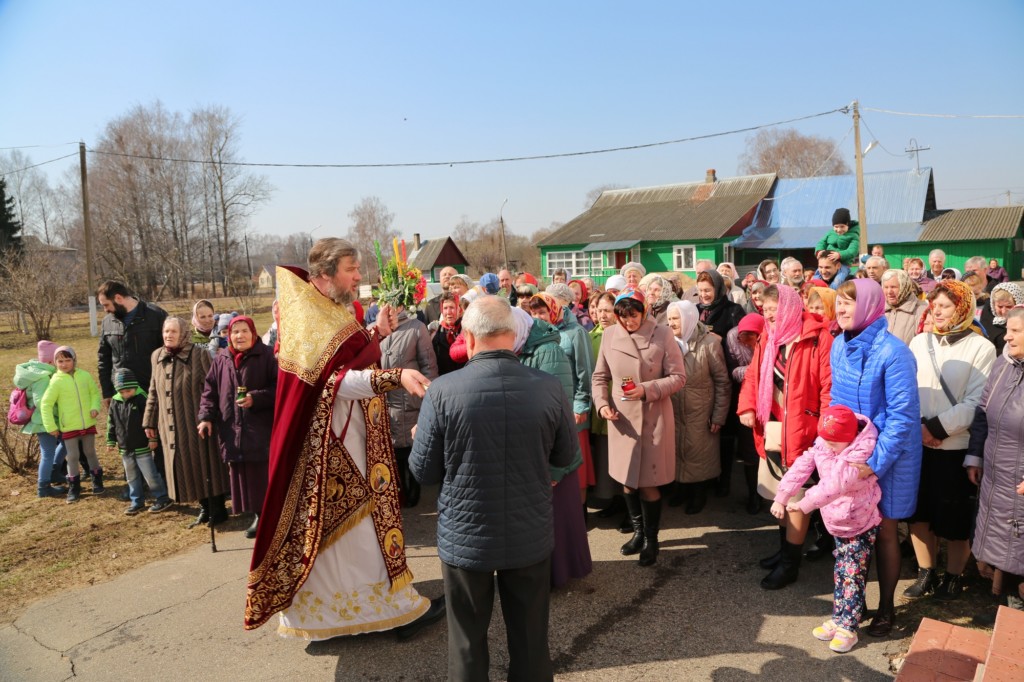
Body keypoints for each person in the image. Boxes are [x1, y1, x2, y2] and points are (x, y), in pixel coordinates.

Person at [244, 238, 442, 641]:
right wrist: (394, 376)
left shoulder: (327, 309)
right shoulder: (310, 317)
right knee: (356, 534)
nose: (357, 277)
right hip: (334, 450)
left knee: (355, 536)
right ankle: (386, 611)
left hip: (351, 436)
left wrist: (376, 334)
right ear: (324, 275)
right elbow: (332, 383)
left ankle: (352, 613)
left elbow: (344, 360)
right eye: (351, 269)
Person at [409, 296, 577, 682]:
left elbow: (423, 471)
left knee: (467, 641)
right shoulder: (548, 388)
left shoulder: (444, 391)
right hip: (528, 530)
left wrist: (421, 438)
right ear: (514, 336)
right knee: (532, 641)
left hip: (466, 537)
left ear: (467, 337)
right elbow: (566, 453)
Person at [829, 278, 921, 637]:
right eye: (839, 302)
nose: (841, 308)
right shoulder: (839, 344)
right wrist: (835, 447)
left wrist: (874, 463)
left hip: (890, 457)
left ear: (869, 305)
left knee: (883, 530)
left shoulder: (894, 352)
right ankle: (855, 603)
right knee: (853, 527)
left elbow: (902, 418)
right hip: (854, 452)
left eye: (850, 302)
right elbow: (837, 402)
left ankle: (886, 608)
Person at [904, 280, 996, 601]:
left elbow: (977, 402)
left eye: (944, 305)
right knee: (919, 513)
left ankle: (954, 576)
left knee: (955, 516)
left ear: (962, 307)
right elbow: (907, 390)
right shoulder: (919, 342)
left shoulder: (981, 347)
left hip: (954, 448)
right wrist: (918, 428)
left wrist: (937, 429)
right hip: (918, 444)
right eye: (934, 305)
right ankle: (926, 571)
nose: (937, 311)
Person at [737, 284, 834, 590]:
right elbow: (754, 376)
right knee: (778, 492)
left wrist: (823, 430)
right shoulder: (769, 336)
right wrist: (748, 405)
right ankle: (784, 551)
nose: (769, 317)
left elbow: (828, 388)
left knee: (796, 498)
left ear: (790, 308)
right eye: (765, 312)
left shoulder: (818, 337)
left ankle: (791, 564)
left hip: (804, 430)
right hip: (774, 427)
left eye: (774, 311)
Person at [772, 406, 881, 654]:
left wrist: (803, 505)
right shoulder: (825, 442)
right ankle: (840, 617)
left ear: (850, 437)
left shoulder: (860, 454)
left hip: (859, 522)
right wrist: (782, 495)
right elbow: (802, 466)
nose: (828, 446)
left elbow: (834, 485)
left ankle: (848, 628)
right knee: (841, 571)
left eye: (834, 443)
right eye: (826, 441)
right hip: (837, 521)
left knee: (852, 574)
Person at [591, 289, 686, 567]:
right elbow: (600, 376)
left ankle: (652, 540)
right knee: (627, 482)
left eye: (633, 315)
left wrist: (646, 390)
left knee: (648, 483)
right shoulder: (609, 335)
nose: (628, 321)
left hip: (654, 417)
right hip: (622, 420)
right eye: (622, 315)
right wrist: (601, 404)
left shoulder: (663, 334)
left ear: (644, 311)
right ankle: (638, 532)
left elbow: (679, 378)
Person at [511, 307, 592, 588]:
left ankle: (558, 574)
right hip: (536, 452)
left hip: (554, 453)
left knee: (556, 518)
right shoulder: (520, 348)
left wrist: (556, 464)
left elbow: (558, 409)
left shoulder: (547, 351)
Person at [144, 317, 231, 528]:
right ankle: (204, 508)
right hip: (170, 424)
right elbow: (153, 391)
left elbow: (214, 388)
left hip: (198, 421)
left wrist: (209, 416)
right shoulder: (157, 356)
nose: (168, 335)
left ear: (183, 333)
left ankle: (217, 509)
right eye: (166, 332)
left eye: (173, 331)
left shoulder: (199, 354)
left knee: (205, 465)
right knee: (185, 468)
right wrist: (149, 421)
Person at [198, 316, 278, 539]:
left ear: (253, 333)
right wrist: (205, 417)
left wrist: (256, 398)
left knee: (261, 475)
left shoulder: (267, 356)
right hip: (231, 425)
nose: (239, 336)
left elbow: (279, 387)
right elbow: (210, 390)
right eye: (235, 332)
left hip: (259, 427)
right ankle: (256, 513)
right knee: (242, 475)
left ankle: (265, 517)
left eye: (244, 331)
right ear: (228, 336)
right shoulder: (222, 358)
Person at [967, 307, 1024, 614]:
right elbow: (982, 413)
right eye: (1008, 329)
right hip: (997, 474)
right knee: (1007, 547)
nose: (1008, 336)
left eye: (1016, 330)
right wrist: (975, 456)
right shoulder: (1004, 364)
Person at [666, 300, 730, 515]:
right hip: (674, 408)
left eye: (676, 318)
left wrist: (719, 415)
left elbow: (722, 381)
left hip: (701, 409)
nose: (671, 323)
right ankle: (681, 489)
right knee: (678, 450)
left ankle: (699, 494)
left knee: (698, 453)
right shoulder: (667, 342)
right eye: (669, 319)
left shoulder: (709, 343)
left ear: (688, 318)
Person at [533, 288, 596, 502]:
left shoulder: (575, 332)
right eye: (535, 313)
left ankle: (580, 514)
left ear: (554, 309)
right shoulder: (536, 336)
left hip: (571, 410)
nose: (539, 317)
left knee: (576, 471)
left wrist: (581, 405)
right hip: (548, 410)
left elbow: (585, 371)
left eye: (542, 312)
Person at [379, 305, 438, 509]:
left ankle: (414, 486)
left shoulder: (416, 327)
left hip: (411, 396)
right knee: (393, 449)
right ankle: (400, 487)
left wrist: (429, 396)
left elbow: (428, 364)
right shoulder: (374, 329)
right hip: (386, 399)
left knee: (411, 445)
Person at [40, 346, 103, 503]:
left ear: (74, 360)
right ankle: (74, 488)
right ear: (55, 362)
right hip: (69, 426)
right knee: (73, 456)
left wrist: (95, 407)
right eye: (60, 361)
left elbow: (94, 393)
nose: (64, 364)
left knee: (90, 452)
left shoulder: (85, 376)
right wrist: (51, 427)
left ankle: (97, 482)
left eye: (68, 360)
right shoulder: (56, 381)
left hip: (87, 423)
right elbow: (46, 404)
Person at [106, 369, 172, 515]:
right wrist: (111, 440)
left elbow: (151, 420)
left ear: (135, 386)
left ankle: (162, 497)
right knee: (131, 476)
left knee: (150, 474)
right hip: (125, 448)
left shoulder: (142, 398)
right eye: (122, 392)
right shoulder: (115, 401)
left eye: (128, 391)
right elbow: (111, 422)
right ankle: (137, 501)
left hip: (142, 446)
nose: (125, 395)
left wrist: (153, 438)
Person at [97, 281, 168, 411]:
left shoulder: (156, 316)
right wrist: (107, 393)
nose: (105, 310)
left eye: (106, 305)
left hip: (152, 392)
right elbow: (104, 359)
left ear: (118, 298)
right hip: (121, 393)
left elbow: (169, 354)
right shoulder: (107, 322)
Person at [587, 292, 626, 525]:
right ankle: (614, 501)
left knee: (623, 458)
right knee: (606, 458)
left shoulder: (622, 336)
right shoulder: (591, 336)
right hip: (600, 406)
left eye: (607, 310)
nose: (602, 315)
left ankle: (628, 508)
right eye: (599, 310)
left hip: (619, 404)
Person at [13, 341, 67, 498]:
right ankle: (43, 487)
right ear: (51, 360)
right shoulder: (42, 377)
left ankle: (54, 473)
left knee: (66, 443)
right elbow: (42, 402)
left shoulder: (38, 371)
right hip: (44, 421)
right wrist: (54, 417)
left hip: (44, 420)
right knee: (48, 453)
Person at [725, 313, 765, 514]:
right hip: (747, 402)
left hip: (768, 402)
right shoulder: (733, 337)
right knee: (749, 453)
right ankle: (753, 495)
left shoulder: (772, 341)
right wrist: (753, 371)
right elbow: (731, 371)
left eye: (753, 337)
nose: (748, 342)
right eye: (744, 337)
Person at [881, 269, 929, 345]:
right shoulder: (879, 310)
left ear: (905, 286)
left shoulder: (921, 309)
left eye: (893, 287)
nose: (889, 292)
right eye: (886, 287)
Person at [980, 283, 1024, 355]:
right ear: (993, 305)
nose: (1003, 311)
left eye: (1009, 306)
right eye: (1000, 306)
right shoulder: (987, 318)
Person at [432, 292, 466, 375]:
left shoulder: (467, 329)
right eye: (445, 308)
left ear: (459, 309)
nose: (448, 312)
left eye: (452, 307)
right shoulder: (436, 333)